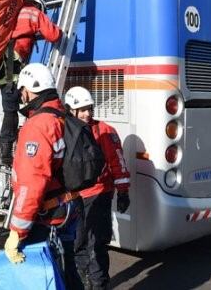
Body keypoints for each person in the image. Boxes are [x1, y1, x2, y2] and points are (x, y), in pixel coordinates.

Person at [3, 63, 83, 289]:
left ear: (28, 90)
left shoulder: (38, 125)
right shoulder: (62, 116)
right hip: (69, 206)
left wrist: (17, 233)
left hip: (48, 216)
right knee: (69, 268)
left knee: (45, 278)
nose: (21, 96)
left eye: (22, 91)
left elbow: (32, 183)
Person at [65, 86, 130, 290]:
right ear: (71, 110)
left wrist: (123, 192)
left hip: (99, 193)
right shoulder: (64, 130)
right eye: (82, 109)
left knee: (96, 244)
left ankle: (99, 285)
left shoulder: (105, 131)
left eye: (89, 108)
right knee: (77, 243)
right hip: (73, 196)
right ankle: (84, 282)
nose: (87, 113)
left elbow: (118, 162)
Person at [0, 0, 62, 167]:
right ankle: (5, 153)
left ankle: (7, 149)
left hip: (1, 61)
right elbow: (53, 35)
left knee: (12, 106)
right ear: (38, 4)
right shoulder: (33, 12)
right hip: (11, 60)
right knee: (12, 109)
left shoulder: (13, 13)